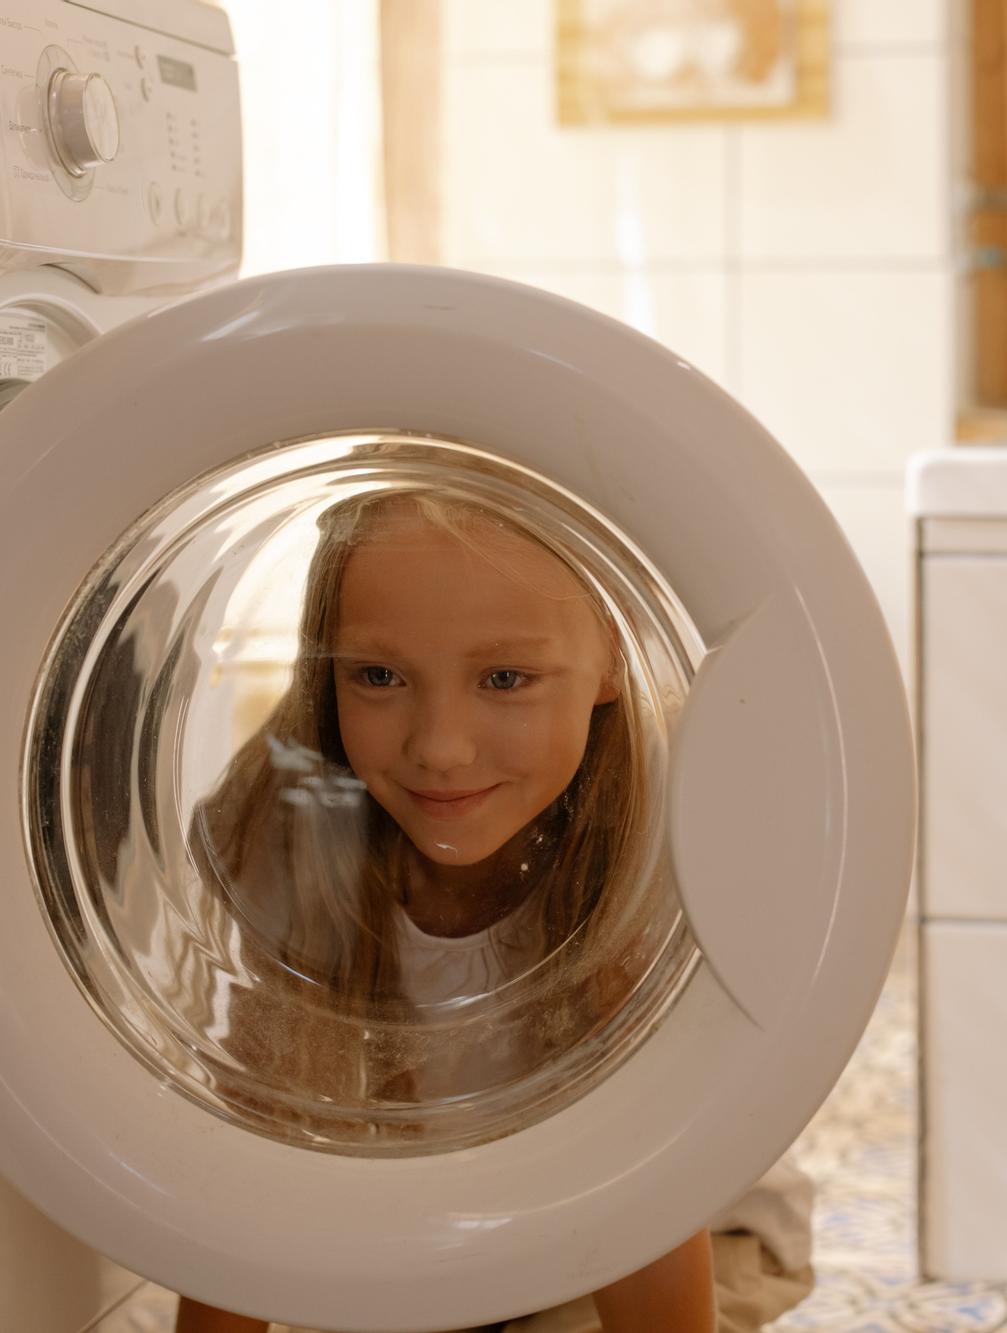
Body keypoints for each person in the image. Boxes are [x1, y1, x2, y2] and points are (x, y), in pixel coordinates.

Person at [173, 489, 812, 1333]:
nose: (439, 746)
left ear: (615, 658)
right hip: (442, 1228)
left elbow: (639, 1191)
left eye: (505, 678)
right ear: (325, 669)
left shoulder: (654, 843)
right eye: (378, 675)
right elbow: (261, 1157)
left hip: (685, 1231)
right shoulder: (286, 825)